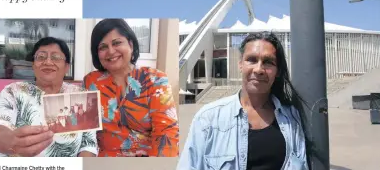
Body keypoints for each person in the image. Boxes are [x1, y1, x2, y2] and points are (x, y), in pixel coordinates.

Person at [177, 32, 309, 170]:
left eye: (268, 62)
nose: (259, 69)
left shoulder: (293, 118)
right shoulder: (209, 119)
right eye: (252, 59)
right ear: (240, 64)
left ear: (278, 71)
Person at [0, 37, 98, 157]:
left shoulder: (80, 95)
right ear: (33, 65)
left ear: (67, 67)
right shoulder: (13, 91)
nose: (47, 62)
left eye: (56, 57)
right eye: (41, 57)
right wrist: (11, 142)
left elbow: (88, 145)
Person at [83, 18, 179, 157]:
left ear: (131, 45)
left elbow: (166, 134)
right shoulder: (91, 82)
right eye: (103, 47)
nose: (110, 51)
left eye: (117, 43)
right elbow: (85, 132)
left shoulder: (155, 80)